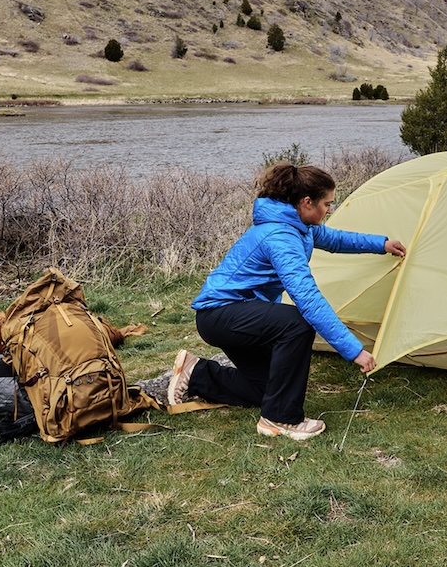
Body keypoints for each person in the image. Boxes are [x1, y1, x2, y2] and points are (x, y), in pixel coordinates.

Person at [167, 161, 406, 441]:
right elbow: (308, 299)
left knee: (267, 389)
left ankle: (197, 373)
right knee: (297, 324)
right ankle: (281, 419)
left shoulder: (298, 225)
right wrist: (354, 350)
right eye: (327, 204)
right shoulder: (280, 237)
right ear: (307, 202)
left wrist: (381, 244)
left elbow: (336, 239)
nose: (330, 210)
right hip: (220, 315)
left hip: (237, 314)